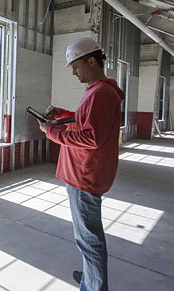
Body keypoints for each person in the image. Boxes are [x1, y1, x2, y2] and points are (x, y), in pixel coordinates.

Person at [38, 38, 125, 291]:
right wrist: (63, 115)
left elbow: (91, 137)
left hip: (84, 177)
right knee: (87, 237)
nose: (74, 73)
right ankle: (90, 277)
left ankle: (94, 286)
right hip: (87, 174)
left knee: (89, 240)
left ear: (91, 60)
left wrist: (52, 133)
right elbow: (85, 121)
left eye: (75, 67)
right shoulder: (101, 91)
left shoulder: (99, 93)